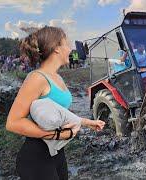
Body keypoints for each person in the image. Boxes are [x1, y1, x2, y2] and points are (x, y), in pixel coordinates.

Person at [6, 26, 105, 180]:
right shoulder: (36, 78)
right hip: (37, 157)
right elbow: (13, 122)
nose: (70, 48)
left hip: (57, 152)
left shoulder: (57, 78)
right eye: (67, 43)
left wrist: (85, 122)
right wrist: (55, 134)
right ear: (56, 48)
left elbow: (60, 112)